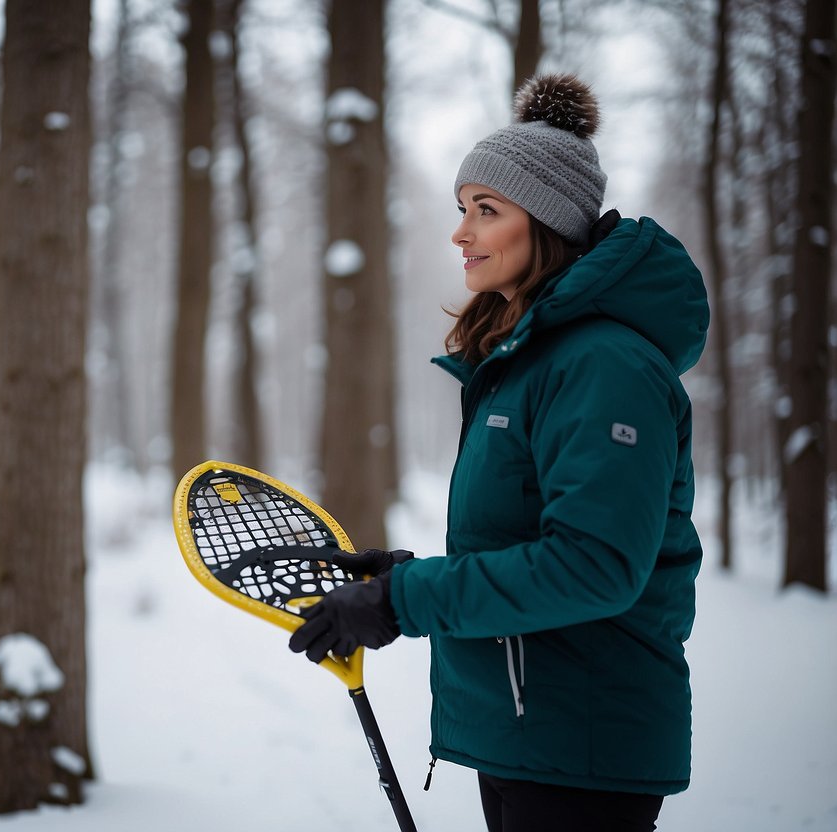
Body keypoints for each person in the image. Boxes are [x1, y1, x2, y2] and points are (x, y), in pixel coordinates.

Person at [289, 73, 709, 832]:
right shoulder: (530, 361)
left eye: (486, 210)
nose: (461, 232)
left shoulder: (603, 366)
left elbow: (594, 565)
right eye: (460, 209)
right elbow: (525, 538)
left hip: (581, 743)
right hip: (531, 732)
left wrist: (401, 602)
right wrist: (407, 576)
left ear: (546, 225)